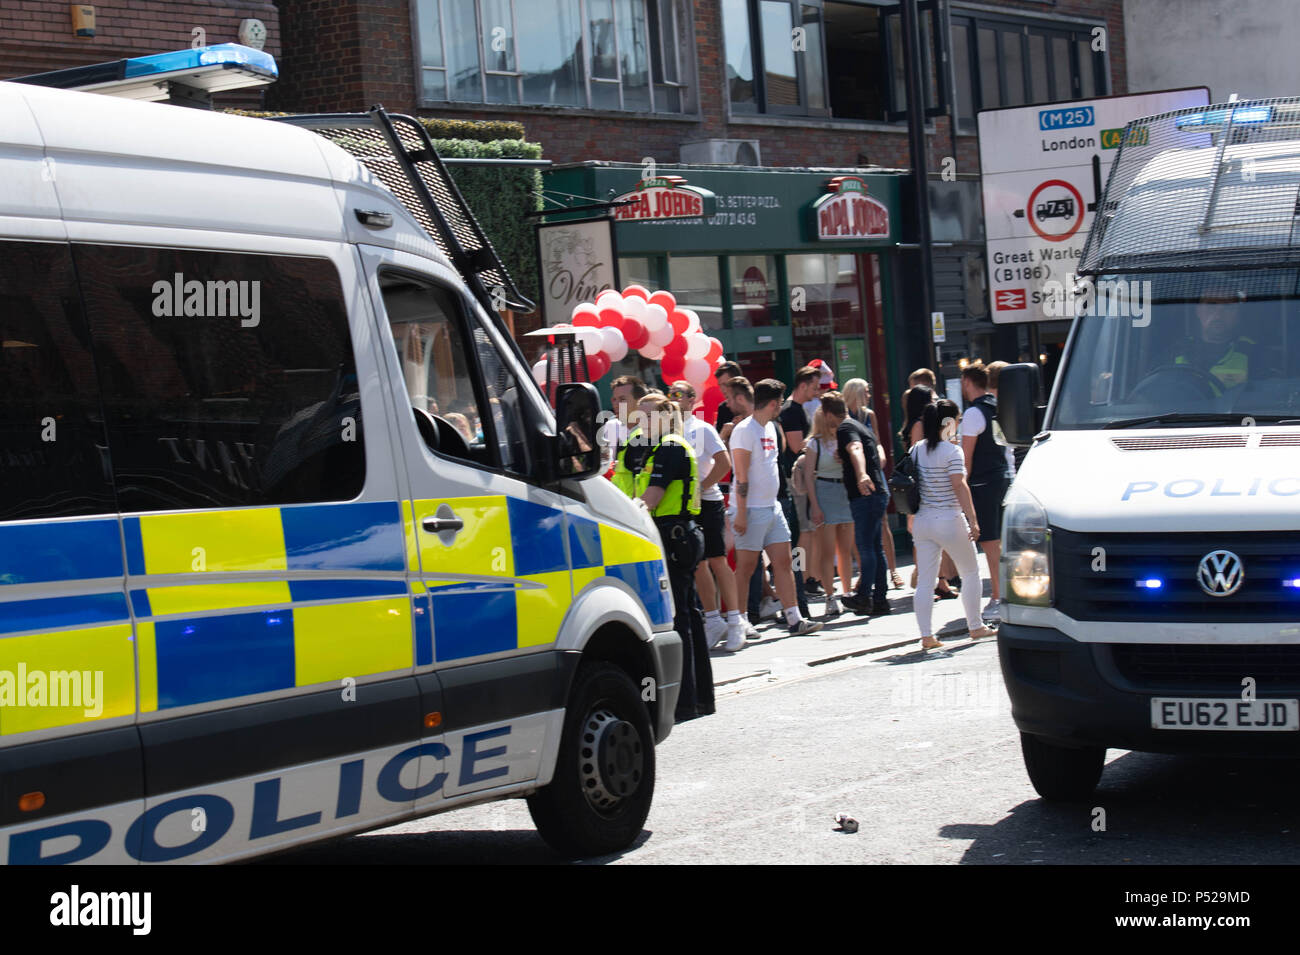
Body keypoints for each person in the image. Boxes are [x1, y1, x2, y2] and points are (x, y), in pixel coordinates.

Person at [622, 393, 713, 721]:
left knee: (680, 620)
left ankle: (686, 702)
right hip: (667, 536)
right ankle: (695, 699)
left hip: (675, 538)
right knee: (685, 616)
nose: (640, 420)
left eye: (648, 415)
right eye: (639, 414)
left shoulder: (671, 447)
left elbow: (652, 498)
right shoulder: (650, 447)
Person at [729, 378, 822, 637]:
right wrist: (742, 512)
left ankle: (794, 618)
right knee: (746, 567)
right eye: (780, 401)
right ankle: (740, 620)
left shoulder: (770, 427)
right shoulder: (745, 430)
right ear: (773, 403)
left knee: (784, 562)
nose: (781, 405)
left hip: (772, 507)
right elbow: (742, 474)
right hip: (750, 509)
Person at [910, 399, 996, 650]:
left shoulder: (916, 449)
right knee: (970, 572)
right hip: (949, 518)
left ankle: (926, 636)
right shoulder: (952, 452)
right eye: (956, 420)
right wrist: (973, 520)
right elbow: (959, 485)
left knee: (926, 581)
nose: (958, 424)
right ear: (948, 423)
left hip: (923, 520)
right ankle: (976, 626)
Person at [669, 379, 746, 652]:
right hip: (682, 506)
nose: (675, 398)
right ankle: (713, 620)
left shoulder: (701, 429)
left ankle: (736, 620)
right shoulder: (668, 429)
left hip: (708, 502)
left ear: (692, 399)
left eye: (680, 393)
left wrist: (701, 487)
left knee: (717, 560)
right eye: (671, 393)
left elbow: (723, 462)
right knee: (698, 564)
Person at [821, 392, 890, 618]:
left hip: (865, 495)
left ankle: (863, 597)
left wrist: (860, 475)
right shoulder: (859, 425)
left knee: (866, 548)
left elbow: (855, 449)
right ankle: (880, 599)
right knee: (875, 547)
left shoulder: (844, 428)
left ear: (829, 413)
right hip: (877, 493)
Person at [960, 361, 1012, 624]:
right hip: (1002, 477)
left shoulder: (972, 414)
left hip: (982, 483)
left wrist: (961, 487)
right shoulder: (997, 408)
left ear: (969, 383)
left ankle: (998, 598)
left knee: (991, 544)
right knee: (1000, 543)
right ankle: (1005, 594)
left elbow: (965, 458)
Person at [900, 385, 959, 600]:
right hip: (921, 488)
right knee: (921, 539)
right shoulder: (918, 424)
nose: (936, 401)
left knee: (934, 540)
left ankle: (941, 581)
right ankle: (927, 583)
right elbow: (916, 458)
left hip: (928, 488)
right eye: (932, 398)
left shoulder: (923, 424)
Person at [844, 377, 903, 590]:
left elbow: (876, 441)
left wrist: (881, 457)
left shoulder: (869, 415)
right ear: (856, 393)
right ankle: (864, 573)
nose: (869, 395)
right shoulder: (845, 417)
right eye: (866, 392)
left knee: (883, 522)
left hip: (873, 471)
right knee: (857, 525)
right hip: (854, 475)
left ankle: (893, 570)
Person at [801, 404, 857, 618]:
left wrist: (845, 460)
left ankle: (847, 591)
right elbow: (808, 475)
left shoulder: (845, 439)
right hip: (824, 490)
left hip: (844, 490)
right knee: (827, 550)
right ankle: (830, 597)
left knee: (845, 549)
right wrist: (814, 505)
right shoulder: (815, 443)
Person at [1172, 286, 1269, 392]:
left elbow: (1266, 397)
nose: (1218, 315)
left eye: (1228, 307)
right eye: (1211, 306)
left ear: (1238, 314)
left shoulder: (1255, 353)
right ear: (1198, 311)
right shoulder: (1177, 350)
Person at [780, 366, 822, 596]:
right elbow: (796, 446)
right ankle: (802, 577)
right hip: (796, 479)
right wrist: (819, 442)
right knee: (804, 531)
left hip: (801, 477)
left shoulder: (798, 410)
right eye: (814, 387)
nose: (816, 392)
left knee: (809, 530)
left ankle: (809, 576)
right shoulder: (791, 411)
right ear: (803, 385)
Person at [601, 375, 647, 475]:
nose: (616, 404)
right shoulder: (610, 426)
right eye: (614, 399)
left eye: (622, 399)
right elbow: (604, 464)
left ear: (640, 401)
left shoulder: (653, 429)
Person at [713, 360, 743, 438]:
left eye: (725, 384)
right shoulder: (723, 408)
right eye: (720, 385)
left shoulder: (758, 403)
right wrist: (724, 433)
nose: (722, 389)